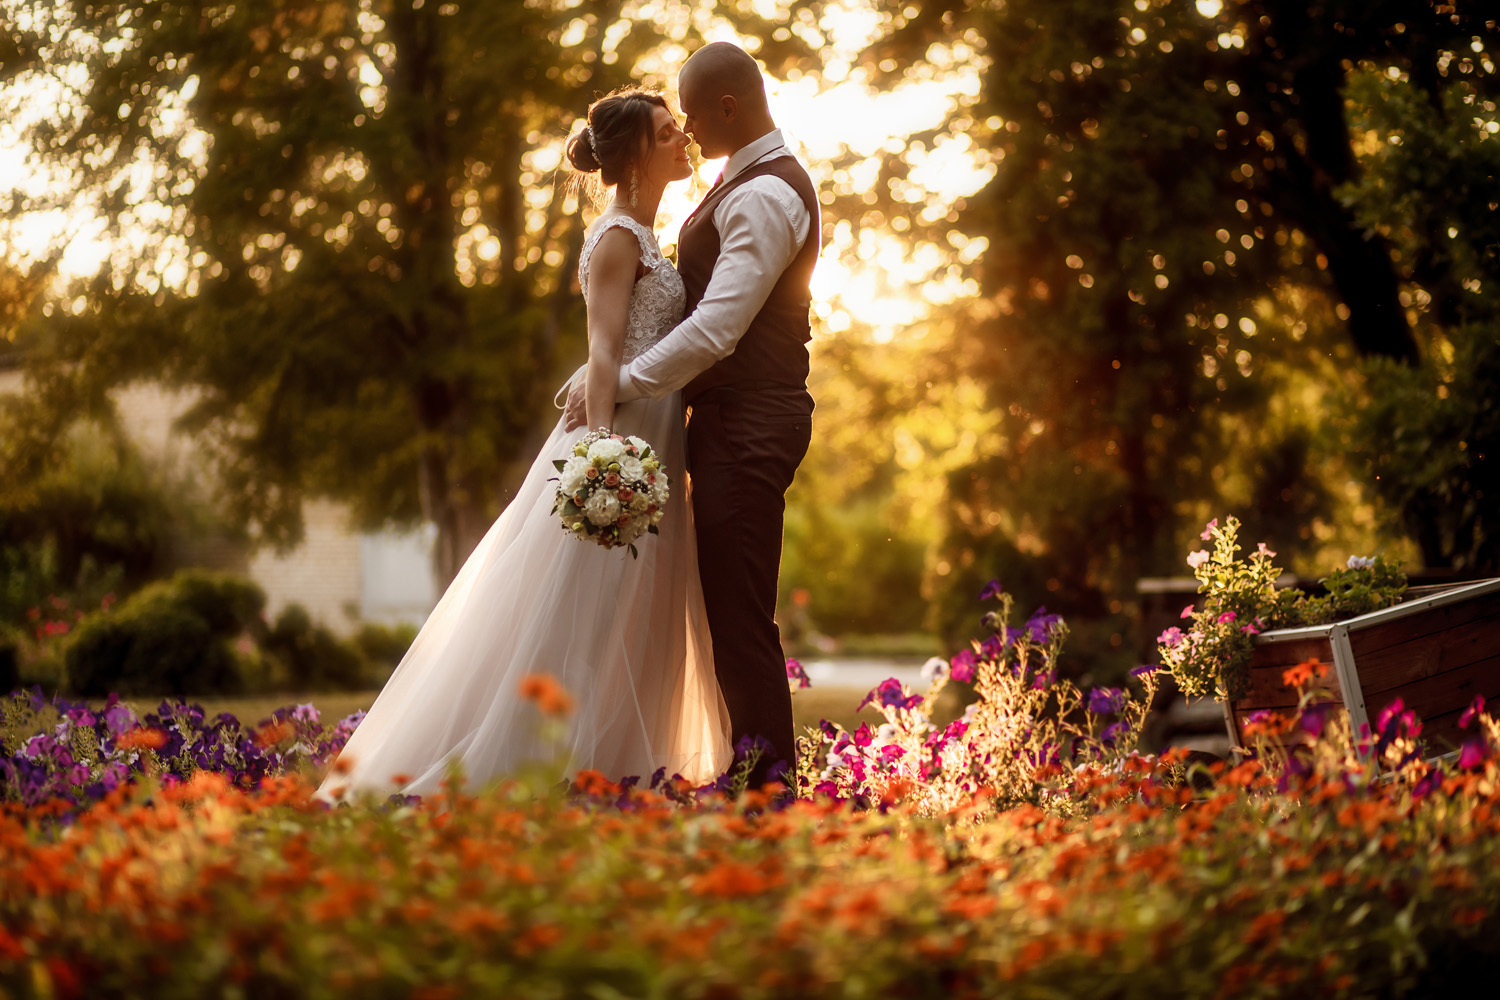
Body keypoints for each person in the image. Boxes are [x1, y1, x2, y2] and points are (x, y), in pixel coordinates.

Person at [314, 87, 732, 806]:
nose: (682, 139)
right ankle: (531, 769)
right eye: (667, 132)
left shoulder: (646, 233)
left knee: (634, 610)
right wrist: (603, 460)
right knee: (581, 608)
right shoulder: (619, 239)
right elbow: (602, 352)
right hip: (621, 444)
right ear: (635, 155)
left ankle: (616, 771)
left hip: (657, 439)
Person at [565, 41, 822, 787]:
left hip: (750, 422)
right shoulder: (735, 186)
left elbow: (718, 329)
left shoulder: (766, 195)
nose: (685, 127)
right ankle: (747, 787)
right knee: (723, 617)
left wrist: (616, 384)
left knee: (739, 621)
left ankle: (768, 799)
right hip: (717, 424)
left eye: (691, 113)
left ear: (728, 109)